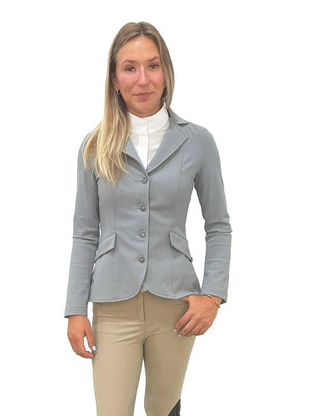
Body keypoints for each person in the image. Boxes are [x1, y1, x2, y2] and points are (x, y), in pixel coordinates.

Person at [64, 21, 232, 416]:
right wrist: (75, 309)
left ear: (166, 71)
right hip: (113, 306)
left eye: (153, 66)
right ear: (114, 79)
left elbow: (218, 226)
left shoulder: (198, 141)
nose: (143, 79)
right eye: (130, 68)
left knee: (163, 408)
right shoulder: (95, 145)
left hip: (176, 305)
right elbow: (85, 233)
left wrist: (213, 296)